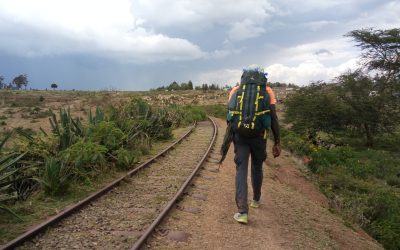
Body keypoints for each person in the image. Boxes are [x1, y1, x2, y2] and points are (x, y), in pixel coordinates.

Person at [227, 65, 281, 224]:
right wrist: (277, 141)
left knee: (241, 169)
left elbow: (231, 117)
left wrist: (231, 138)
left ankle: (242, 212)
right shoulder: (267, 91)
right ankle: (256, 200)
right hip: (259, 136)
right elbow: (274, 118)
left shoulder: (235, 91)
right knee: (257, 167)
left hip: (240, 136)